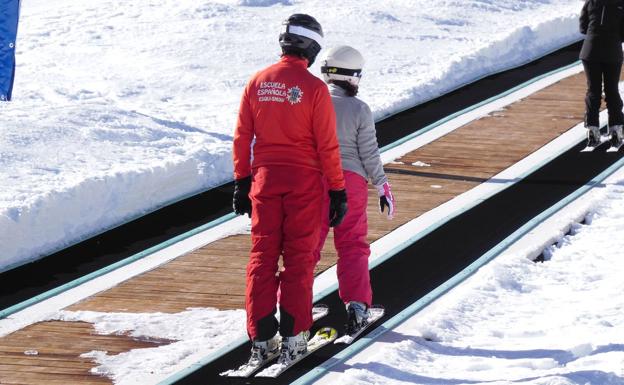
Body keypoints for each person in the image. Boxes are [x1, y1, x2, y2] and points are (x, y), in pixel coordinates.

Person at [232, 14, 347, 366]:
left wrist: (241, 182)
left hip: (264, 181)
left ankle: (262, 339)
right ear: (311, 47)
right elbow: (327, 145)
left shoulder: (257, 81)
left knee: (261, 259)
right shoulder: (313, 89)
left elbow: (242, 137)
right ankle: (295, 338)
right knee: (298, 261)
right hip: (305, 184)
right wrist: (338, 190)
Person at [316, 45, 396, 335]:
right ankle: (357, 307)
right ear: (353, 76)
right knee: (352, 245)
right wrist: (382, 184)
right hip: (350, 181)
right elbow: (369, 152)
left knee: (305, 248)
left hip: (312, 180)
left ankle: (293, 309)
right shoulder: (359, 108)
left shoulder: (310, 100)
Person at [579, 0, 624, 147]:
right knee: (611, 90)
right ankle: (616, 128)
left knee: (593, 90)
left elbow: (583, 27)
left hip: (590, 51)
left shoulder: (591, 2)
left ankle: (592, 128)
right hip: (612, 51)